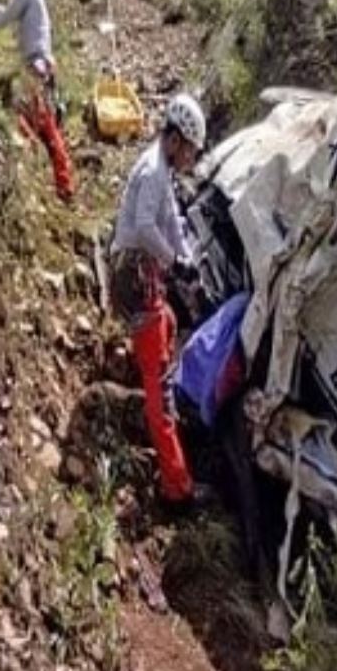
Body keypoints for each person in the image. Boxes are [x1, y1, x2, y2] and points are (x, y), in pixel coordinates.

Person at [109, 94, 207, 507]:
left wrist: (188, 262)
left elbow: (172, 225)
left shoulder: (161, 172)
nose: (190, 159)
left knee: (166, 322)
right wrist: (174, 263)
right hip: (134, 275)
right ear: (175, 140)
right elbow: (148, 226)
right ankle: (177, 486)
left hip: (142, 274)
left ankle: (158, 378)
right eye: (189, 150)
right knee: (159, 388)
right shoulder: (153, 171)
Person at [0, 0, 75, 202]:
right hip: (42, 66)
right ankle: (58, 183)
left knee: (38, 127)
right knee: (42, 127)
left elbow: (6, 17)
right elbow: (9, 10)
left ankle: (42, 182)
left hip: (36, 66)